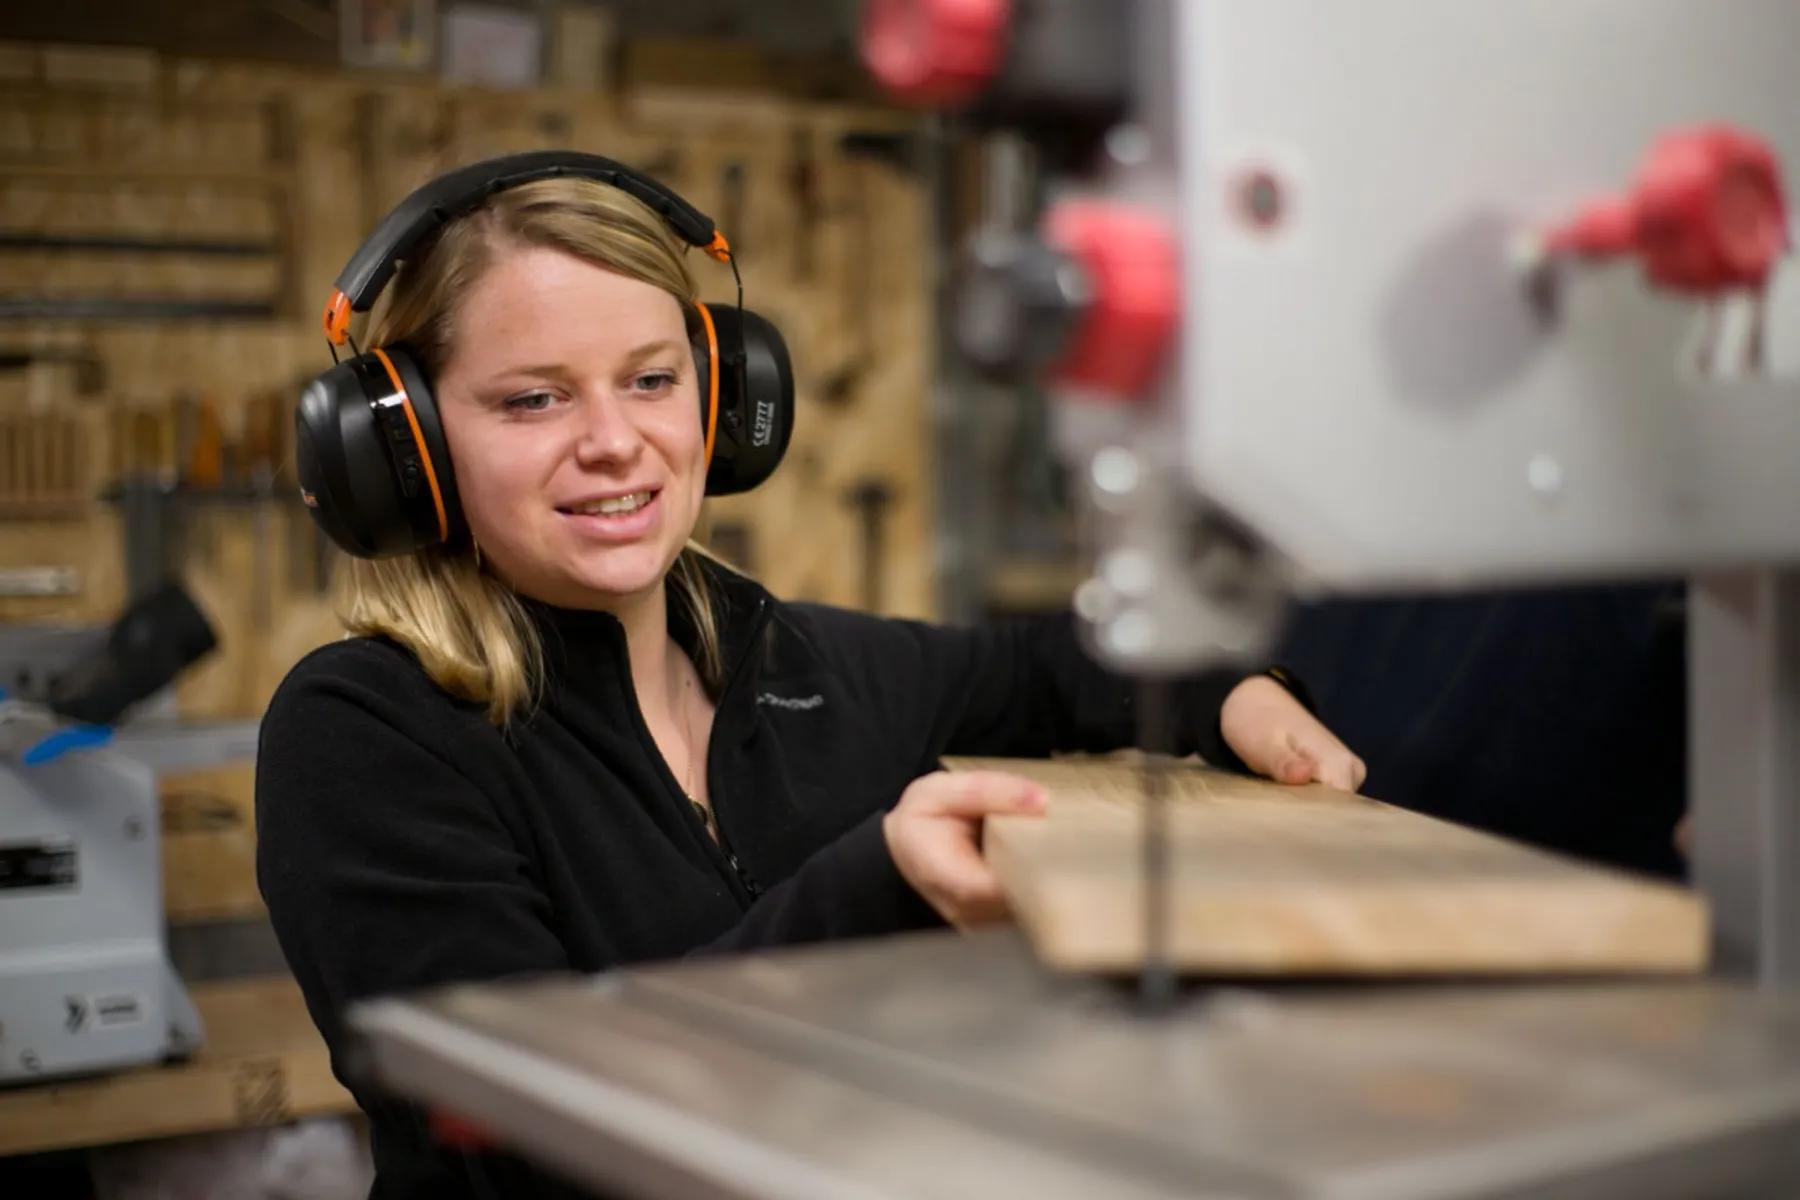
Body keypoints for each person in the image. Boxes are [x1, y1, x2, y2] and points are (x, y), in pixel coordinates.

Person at [254, 158, 1365, 1199]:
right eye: (532, 400)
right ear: (407, 454)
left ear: (722, 402)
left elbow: (1046, 666)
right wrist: (877, 881)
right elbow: (529, 1144)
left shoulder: (789, 665)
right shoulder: (364, 734)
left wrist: (1229, 689)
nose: (614, 441)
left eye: (651, 380)